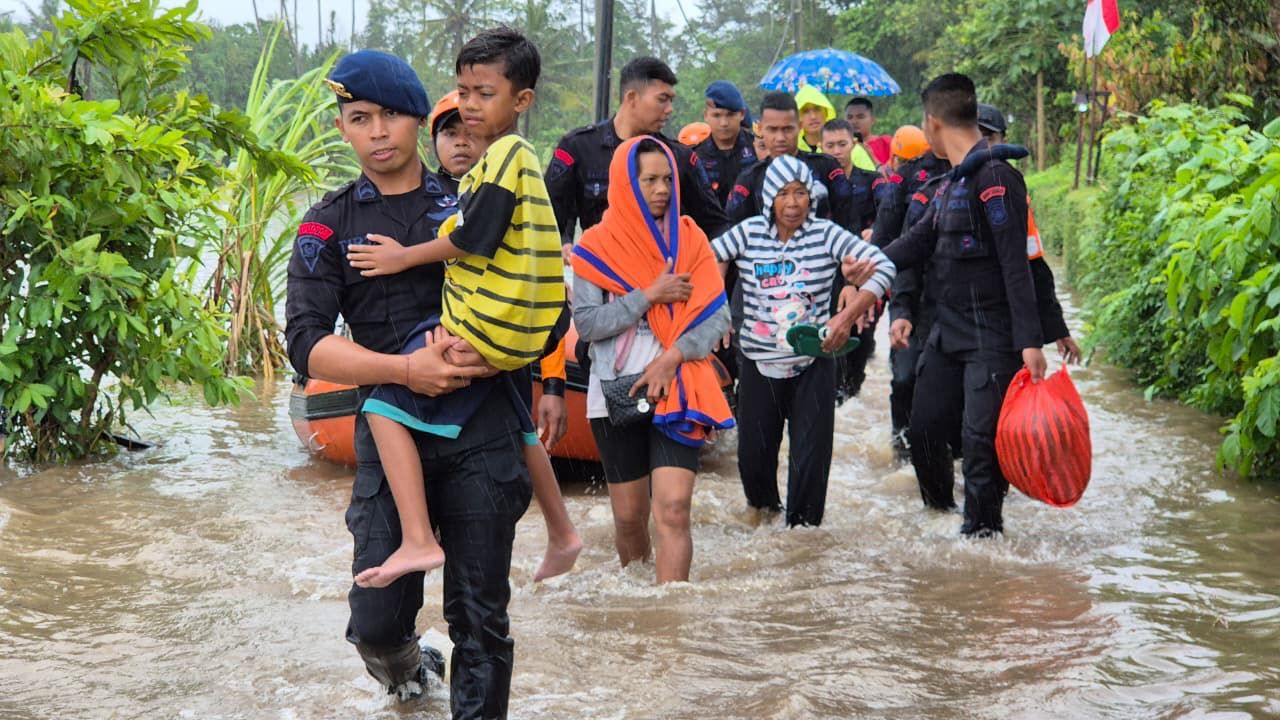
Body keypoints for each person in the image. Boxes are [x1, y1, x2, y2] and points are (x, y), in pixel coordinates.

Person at [285, 47, 527, 715]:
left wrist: (494, 357)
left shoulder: (472, 204)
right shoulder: (328, 224)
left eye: (390, 116)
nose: (378, 132)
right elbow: (306, 343)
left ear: (419, 119)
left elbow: (545, 303)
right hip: (390, 431)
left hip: (481, 429)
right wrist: (404, 369)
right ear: (342, 129)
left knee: (481, 618)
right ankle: (411, 672)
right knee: (376, 618)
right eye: (360, 118)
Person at [348, 84, 583, 588]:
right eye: (448, 132)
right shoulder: (450, 196)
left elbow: (542, 289)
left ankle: (428, 538)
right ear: (431, 140)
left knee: (387, 405)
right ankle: (562, 530)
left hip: (487, 344)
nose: (460, 141)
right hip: (477, 344)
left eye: (470, 131)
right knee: (520, 425)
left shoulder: (491, 196)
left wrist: (555, 382)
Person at [876, 73, 1048, 538]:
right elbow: (917, 240)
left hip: (993, 337)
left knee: (979, 443)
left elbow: (1019, 263)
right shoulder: (951, 182)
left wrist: (1032, 342)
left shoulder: (998, 179)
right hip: (947, 332)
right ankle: (940, 517)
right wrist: (868, 264)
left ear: (932, 123)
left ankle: (982, 537)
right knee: (925, 429)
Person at [570, 136, 734, 582]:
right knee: (629, 518)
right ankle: (640, 601)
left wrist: (672, 357)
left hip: (680, 386)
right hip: (615, 392)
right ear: (627, 184)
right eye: (649, 181)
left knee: (674, 509)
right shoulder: (596, 246)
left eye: (667, 180)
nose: (662, 189)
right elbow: (587, 324)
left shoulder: (691, 240)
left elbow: (718, 316)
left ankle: (671, 610)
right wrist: (648, 295)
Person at [713, 155, 896, 527]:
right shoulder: (748, 232)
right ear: (769, 199)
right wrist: (717, 307)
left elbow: (885, 266)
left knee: (810, 460)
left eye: (800, 193)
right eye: (783, 194)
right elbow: (707, 257)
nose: (793, 203)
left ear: (811, 197)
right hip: (759, 361)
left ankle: (803, 536)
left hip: (814, 360)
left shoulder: (826, 234)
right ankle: (765, 519)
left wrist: (847, 315)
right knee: (753, 460)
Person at [547, 56, 730, 263]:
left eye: (671, 100)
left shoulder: (679, 158)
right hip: (601, 272)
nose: (669, 109)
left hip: (663, 273)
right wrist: (564, 242)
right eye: (662, 99)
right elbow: (551, 214)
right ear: (632, 97)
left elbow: (717, 226)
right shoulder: (579, 147)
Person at [977, 102, 1082, 366]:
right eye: (975, 138)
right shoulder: (950, 187)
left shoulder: (1011, 192)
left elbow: (1033, 264)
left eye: (989, 138)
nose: (982, 147)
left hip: (999, 324)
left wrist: (1056, 328)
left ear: (1004, 142)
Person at [693, 80, 757, 207]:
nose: (724, 123)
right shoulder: (695, 157)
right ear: (706, 116)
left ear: (742, 114)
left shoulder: (757, 149)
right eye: (716, 115)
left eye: (730, 115)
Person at [844, 97, 892, 166]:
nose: (854, 121)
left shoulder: (886, 143)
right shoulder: (840, 147)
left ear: (872, 119)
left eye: (860, 117)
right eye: (849, 117)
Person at [794, 83, 835, 154]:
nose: (813, 116)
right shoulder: (791, 149)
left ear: (826, 112)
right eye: (805, 111)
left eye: (817, 109)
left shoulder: (844, 146)